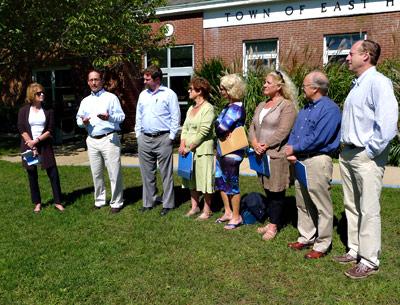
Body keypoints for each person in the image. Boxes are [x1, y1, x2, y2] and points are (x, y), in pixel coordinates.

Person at [335, 40, 398, 279]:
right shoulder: (357, 86)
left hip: (365, 155)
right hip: (349, 153)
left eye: (351, 54)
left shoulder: (379, 83)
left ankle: (369, 260)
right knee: (351, 205)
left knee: (369, 208)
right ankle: (354, 249)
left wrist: (370, 151)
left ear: (367, 56)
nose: (347, 58)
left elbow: (388, 123)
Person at [285, 71, 341, 259]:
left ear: (315, 88)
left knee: (321, 204)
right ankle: (306, 237)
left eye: (305, 85)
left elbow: (319, 138)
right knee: (303, 201)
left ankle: (323, 244)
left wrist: (294, 148)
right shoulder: (306, 108)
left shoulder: (330, 109)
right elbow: (295, 132)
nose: (302, 88)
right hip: (301, 160)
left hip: (318, 159)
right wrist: (292, 149)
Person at [248, 70, 297, 240]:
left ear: (279, 86)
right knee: (267, 189)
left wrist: (266, 145)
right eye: (265, 82)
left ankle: (274, 226)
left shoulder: (287, 106)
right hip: (260, 155)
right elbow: (252, 127)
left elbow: (284, 131)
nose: (264, 85)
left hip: (276, 156)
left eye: (268, 82)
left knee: (276, 192)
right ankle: (271, 221)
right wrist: (255, 144)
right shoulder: (262, 105)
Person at [76, 69, 125, 213]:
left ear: (102, 81)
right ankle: (99, 200)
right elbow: (78, 119)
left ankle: (116, 202)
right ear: (88, 82)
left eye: (96, 79)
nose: (94, 82)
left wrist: (109, 118)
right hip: (92, 140)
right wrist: (83, 122)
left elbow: (121, 117)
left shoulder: (111, 98)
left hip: (109, 138)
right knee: (96, 173)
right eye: (91, 80)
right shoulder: (85, 101)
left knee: (114, 172)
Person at [135, 65, 181, 216]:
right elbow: (138, 116)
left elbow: (176, 117)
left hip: (163, 138)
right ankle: (149, 202)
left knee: (166, 174)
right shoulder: (143, 95)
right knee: (147, 173)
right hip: (145, 138)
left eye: (147, 78)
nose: (144, 80)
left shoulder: (169, 94)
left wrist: (171, 137)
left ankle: (168, 204)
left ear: (157, 79)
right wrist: (138, 135)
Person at [17, 83, 64, 213]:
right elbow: (21, 128)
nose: (42, 94)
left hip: (44, 145)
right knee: (32, 174)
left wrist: (36, 141)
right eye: (38, 93)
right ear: (32, 95)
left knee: (53, 173)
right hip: (28, 145)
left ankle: (58, 201)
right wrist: (30, 143)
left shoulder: (48, 110)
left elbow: (50, 130)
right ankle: (37, 203)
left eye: (42, 92)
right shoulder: (23, 111)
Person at [179, 77, 215, 220]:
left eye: (191, 89)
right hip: (187, 149)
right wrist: (182, 145)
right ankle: (195, 207)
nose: (189, 91)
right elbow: (185, 128)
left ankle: (207, 210)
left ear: (199, 91)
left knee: (205, 179)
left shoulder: (208, 108)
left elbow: (204, 132)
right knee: (190, 179)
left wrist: (190, 147)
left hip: (202, 150)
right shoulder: (190, 108)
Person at [214, 74, 246, 230]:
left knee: (232, 183)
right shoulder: (227, 107)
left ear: (232, 90)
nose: (221, 91)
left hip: (232, 152)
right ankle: (227, 212)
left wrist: (219, 125)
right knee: (220, 180)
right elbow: (218, 126)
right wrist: (218, 125)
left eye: (223, 88)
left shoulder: (236, 108)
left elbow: (221, 128)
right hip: (222, 150)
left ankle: (236, 216)